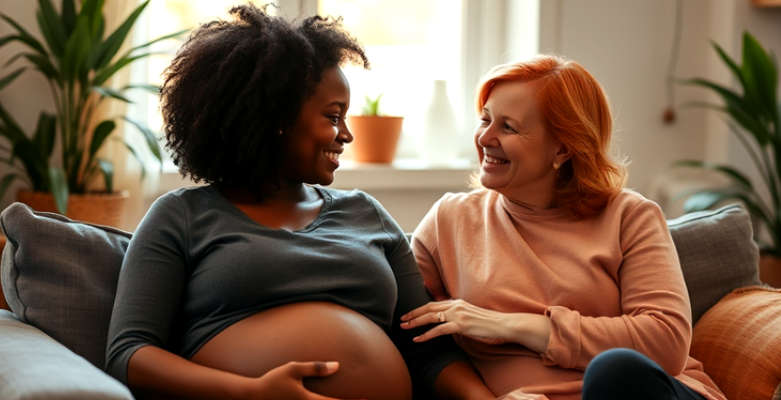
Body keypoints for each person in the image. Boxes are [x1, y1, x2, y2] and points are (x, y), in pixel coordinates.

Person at [105, 4, 509, 400]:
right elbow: (129, 354)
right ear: (275, 119)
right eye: (334, 117)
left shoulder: (365, 213)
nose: (346, 135)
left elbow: (428, 352)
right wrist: (251, 392)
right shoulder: (182, 216)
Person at [399, 54, 727, 400]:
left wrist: (510, 325)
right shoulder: (449, 221)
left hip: (642, 392)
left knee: (615, 371)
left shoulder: (629, 216)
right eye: (485, 120)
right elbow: (412, 337)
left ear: (564, 148)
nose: (484, 138)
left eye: (508, 127)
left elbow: (667, 341)